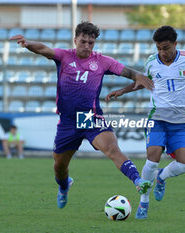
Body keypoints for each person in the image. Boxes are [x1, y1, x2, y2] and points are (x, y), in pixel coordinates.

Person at [10, 21, 154, 209]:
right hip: (68, 122)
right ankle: (64, 186)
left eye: (91, 43)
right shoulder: (64, 56)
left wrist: (138, 76)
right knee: (59, 167)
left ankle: (138, 181)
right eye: (83, 41)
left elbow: (127, 71)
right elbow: (44, 49)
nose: (87, 46)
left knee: (112, 148)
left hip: (89, 117)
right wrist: (28, 43)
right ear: (75, 39)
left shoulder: (102, 61)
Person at [106, 25, 185, 219]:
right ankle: (144, 203)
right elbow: (142, 82)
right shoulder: (151, 63)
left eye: (165, 48)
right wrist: (121, 91)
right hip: (157, 117)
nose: (162, 52)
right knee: (152, 157)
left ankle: (162, 177)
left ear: (175, 44)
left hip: (181, 120)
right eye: (158, 48)